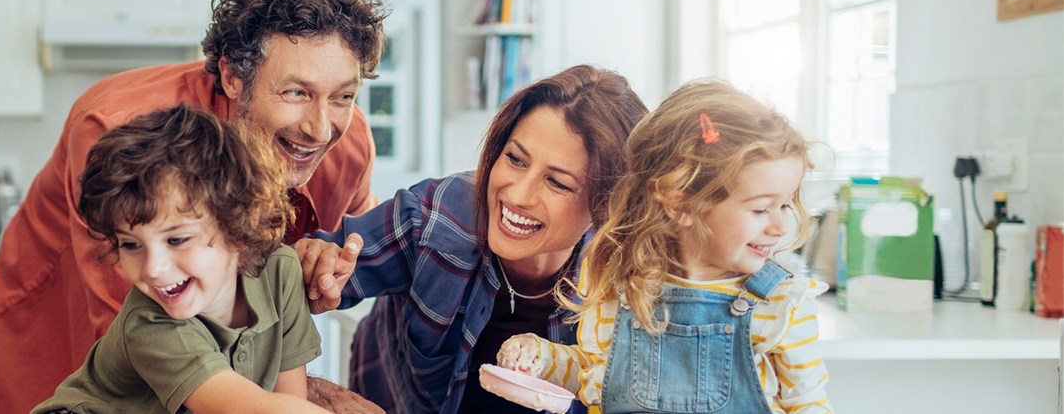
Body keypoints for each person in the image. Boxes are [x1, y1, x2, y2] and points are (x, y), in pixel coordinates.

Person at [0, 0, 388, 414]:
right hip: (67, 321)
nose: (319, 128)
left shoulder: (347, 144)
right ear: (233, 77)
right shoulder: (121, 132)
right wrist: (309, 395)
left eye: (343, 96)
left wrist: (325, 263)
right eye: (295, 92)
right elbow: (148, 314)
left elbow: (331, 255)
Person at [296, 65, 648, 414]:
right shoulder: (436, 216)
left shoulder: (626, 284)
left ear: (606, 204)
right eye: (514, 159)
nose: (518, 195)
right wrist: (311, 388)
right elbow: (288, 283)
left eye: (557, 183)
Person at [494, 78, 833, 414]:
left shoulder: (782, 306)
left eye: (786, 205)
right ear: (680, 203)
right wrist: (543, 358)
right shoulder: (620, 287)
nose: (780, 226)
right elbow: (594, 373)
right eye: (761, 209)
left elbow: (808, 405)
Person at [33, 105, 329, 414]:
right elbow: (250, 408)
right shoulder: (149, 322)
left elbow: (292, 401)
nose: (153, 269)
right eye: (131, 245)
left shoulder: (280, 272)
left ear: (238, 225)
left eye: (177, 240)